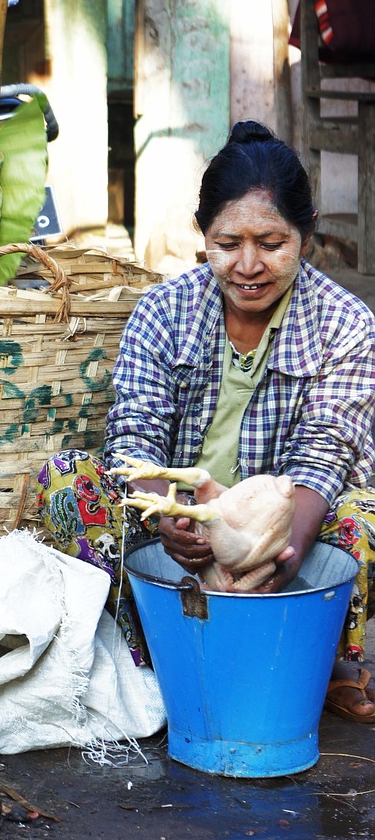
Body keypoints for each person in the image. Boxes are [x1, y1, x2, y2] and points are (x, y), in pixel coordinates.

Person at [37, 120, 375, 725]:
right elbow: (134, 440)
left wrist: (280, 549)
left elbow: (325, 454)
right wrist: (171, 519)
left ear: (307, 234)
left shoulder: (344, 323)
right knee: (65, 481)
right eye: (228, 243)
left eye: (271, 243)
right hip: (177, 537)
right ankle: (156, 654)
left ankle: (310, 659)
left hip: (287, 540)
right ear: (204, 235)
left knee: (365, 521)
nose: (248, 265)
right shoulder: (165, 311)